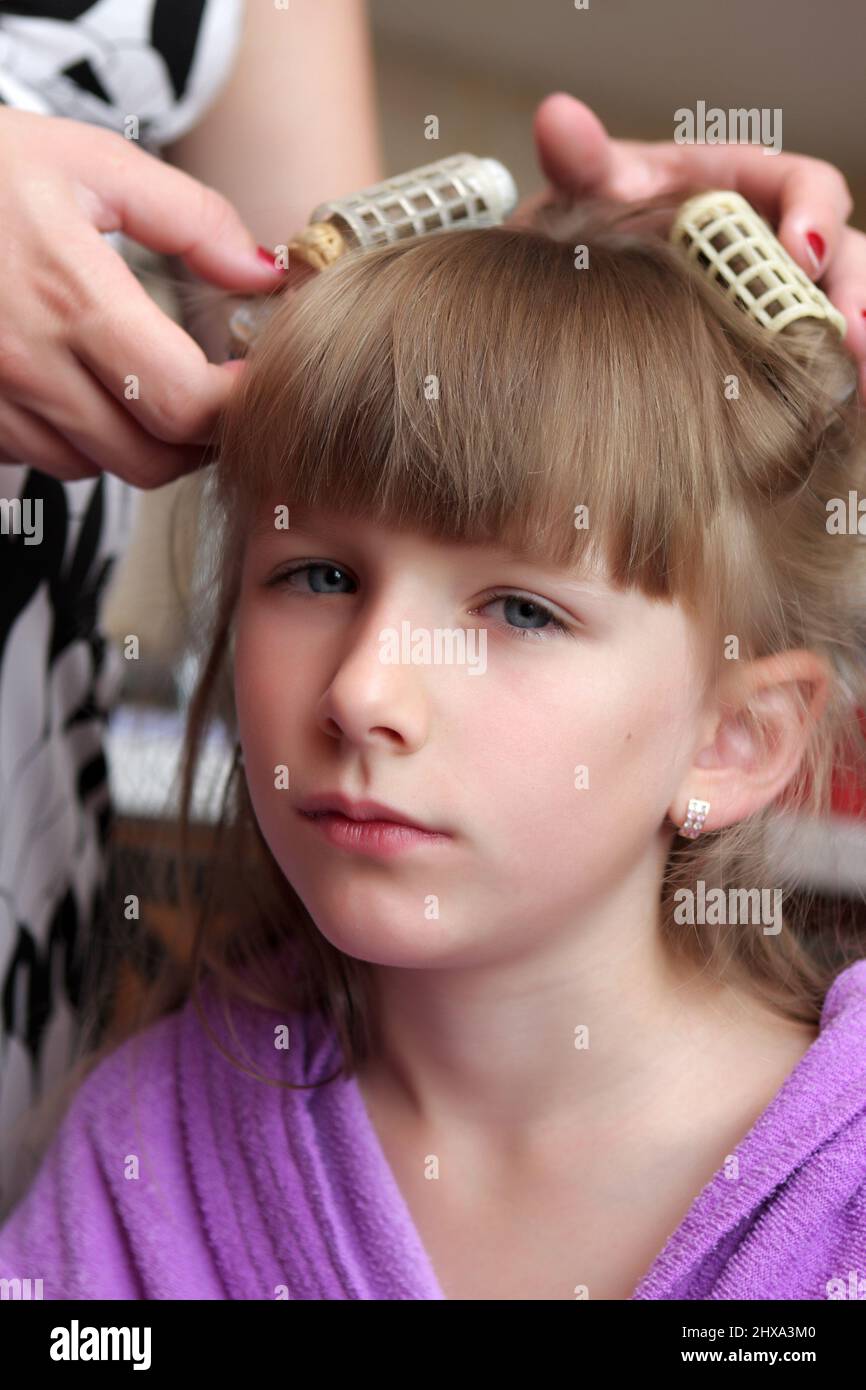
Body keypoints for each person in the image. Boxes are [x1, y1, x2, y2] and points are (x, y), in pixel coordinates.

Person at [1, 179, 865, 1300]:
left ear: (734, 738)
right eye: (318, 575)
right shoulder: (143, 1152)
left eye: (517, 610)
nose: (362, 692)